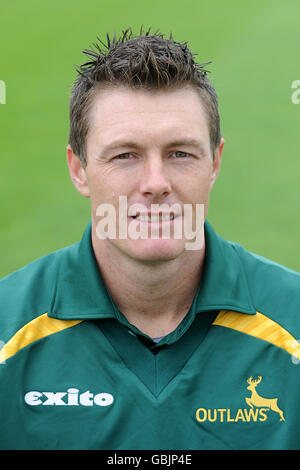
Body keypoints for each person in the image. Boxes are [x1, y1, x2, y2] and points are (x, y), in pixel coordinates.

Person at [1, 27, 300, 451]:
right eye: (125, 155)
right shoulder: (7, 333)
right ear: (78, 169)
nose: (155, 183)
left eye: (180, 153)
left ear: (214, 163)